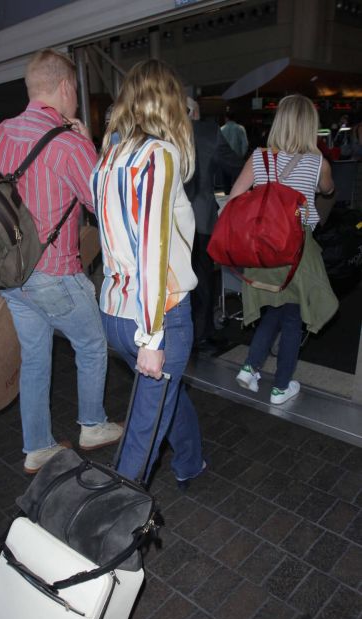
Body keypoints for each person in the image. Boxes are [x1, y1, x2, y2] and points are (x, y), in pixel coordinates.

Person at [0, 49, 122, 475]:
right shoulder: (68, 142)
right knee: (92, 344)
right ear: (65, 87)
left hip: (9, 275)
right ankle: (92, 425)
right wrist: (91, 147)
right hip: (55, 274)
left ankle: (37, 447)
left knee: (35, 357)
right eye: (75, 90)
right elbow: (104, 204)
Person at [91, 59, 205, 486]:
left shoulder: (108, 158)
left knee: (163, 397)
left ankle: (191, 462)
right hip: (158, 316)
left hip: (115, 312)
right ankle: (108, 527)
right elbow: (153, 250)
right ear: (169, 103)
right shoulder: (160, 155)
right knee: (142, 437)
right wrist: (153, 337)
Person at [231, 94, 339, 405]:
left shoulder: (259, 157)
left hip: (264, 250)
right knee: (292, 317)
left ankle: (251, 366)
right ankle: (280, 387)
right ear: (309, 126)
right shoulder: (318, 162)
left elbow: (236, 198)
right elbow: (329, 190)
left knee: (276, 309)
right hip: (296, 251)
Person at [184, 99, 244, 352]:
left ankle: (183, 332)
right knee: (203, 278)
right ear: (195, 112)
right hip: (199, 217)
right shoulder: (207, 131)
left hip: (167, 220)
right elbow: (235, 165)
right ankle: (201, 335)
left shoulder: (162, 131)